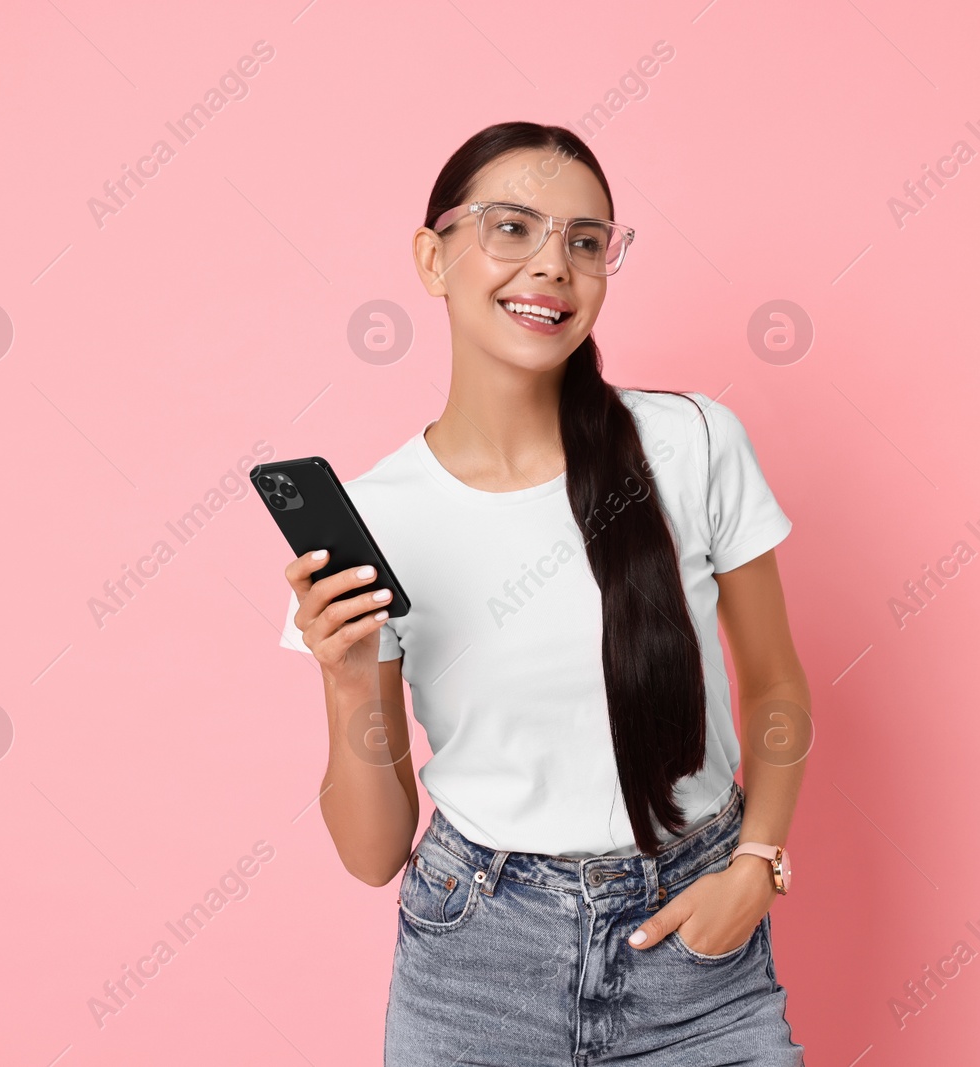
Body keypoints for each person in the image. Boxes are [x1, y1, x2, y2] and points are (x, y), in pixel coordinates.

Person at [280, 120, 810, 1065]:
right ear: (432, 259)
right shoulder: (375, 519)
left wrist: (758, 863)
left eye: (586, 240)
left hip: (696, 948)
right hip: (477, 960)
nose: (554, 266)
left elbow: (774, 686)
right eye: (512, 228)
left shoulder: (692, 444)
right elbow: (372, 853)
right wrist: (347, 675)